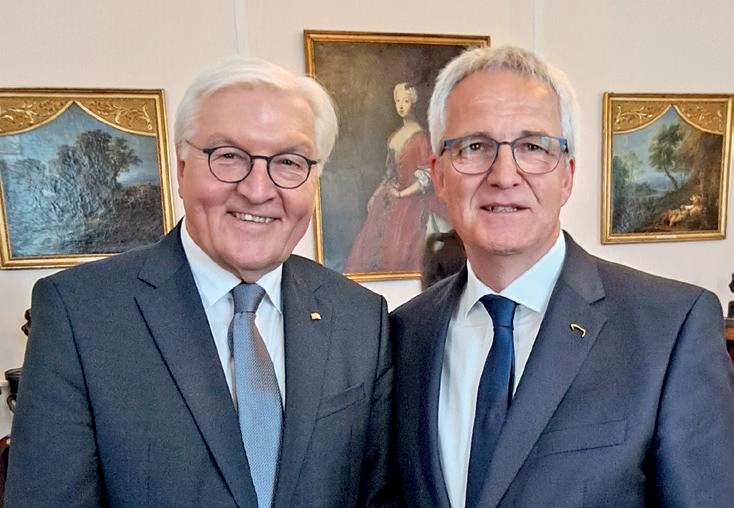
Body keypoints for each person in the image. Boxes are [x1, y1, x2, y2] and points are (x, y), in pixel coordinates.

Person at [5, 56, 395, 507]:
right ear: (182, 168)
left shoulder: (360, 317)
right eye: (228, 156)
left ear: (314, 181)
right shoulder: (80, 314)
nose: (257, 190)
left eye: (289, 162)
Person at [391, 45, 734, 507]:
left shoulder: (670, 329)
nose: (504, 175)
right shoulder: (405, 333)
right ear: (438, 175)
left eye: (533, 147)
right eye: (474, 147)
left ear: (567, 176)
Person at [345, 82, 447, 273]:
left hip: (412, 201)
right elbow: (390, 172)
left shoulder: (420, 137)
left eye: (406, 101)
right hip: (389, 197)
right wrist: (376, 194)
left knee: (402, 245)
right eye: (398, 101)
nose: (401, 105)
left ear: (413, 103)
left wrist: (401, 194)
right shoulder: (395, 136)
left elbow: (427, 175)